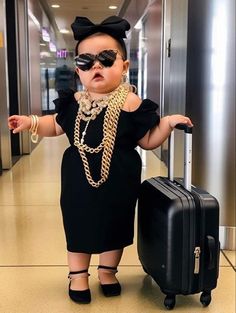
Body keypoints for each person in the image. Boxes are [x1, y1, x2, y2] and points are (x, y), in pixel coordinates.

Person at [8, 16, 193, 304]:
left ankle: (108, 271)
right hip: (77, 180)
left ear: (124, 67)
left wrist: (166, 124)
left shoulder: (132, 103)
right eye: (86, 61)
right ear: (78, 71)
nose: (96, 66)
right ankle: (78, 275)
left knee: (115, 226)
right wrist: (30, 122)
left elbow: (147, 140)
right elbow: (54, 126)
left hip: (120, 181)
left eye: (107, 59)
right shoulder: (74, 103)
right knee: (78, 224)